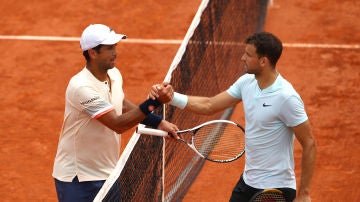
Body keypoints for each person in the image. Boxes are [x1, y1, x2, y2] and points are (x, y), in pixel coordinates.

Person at [151, 32, 317, 202]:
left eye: (248, 55)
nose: (242, 58)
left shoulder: (286, 97)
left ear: (263, 61)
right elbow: (209, 105)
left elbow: (309, 142)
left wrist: (304, 194)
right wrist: (172, 97)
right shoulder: (246, 83)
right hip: (248, 182)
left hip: (275, 188)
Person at [52, 24, 179, 202]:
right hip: (78, 178)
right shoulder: (81, 87)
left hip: (107, 173)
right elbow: (117, 124)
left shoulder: (114, 74)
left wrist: (157, 121)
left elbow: (120, 103)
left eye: (115, 47)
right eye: (109, 48)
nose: (115, 52)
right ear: (92, 53)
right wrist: (155, 102)